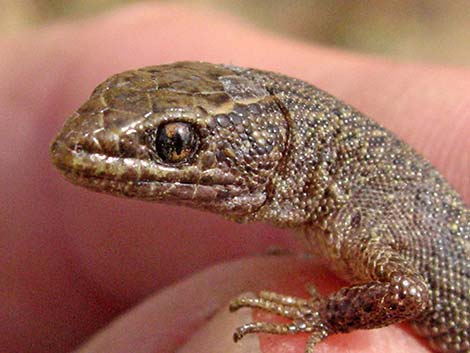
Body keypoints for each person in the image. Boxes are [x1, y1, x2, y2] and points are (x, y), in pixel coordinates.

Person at [0, 3, 468, 353]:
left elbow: (407, 292)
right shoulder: (343, 199)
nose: (90, 145)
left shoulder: (362, 218)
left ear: (270, 152)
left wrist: (323, 315)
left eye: (177, 144)